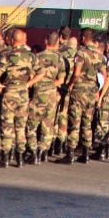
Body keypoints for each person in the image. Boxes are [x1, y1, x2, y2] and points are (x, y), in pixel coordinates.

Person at [62, 28, 107, 164]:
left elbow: (76, 73)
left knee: (75, 122)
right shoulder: (99, 55)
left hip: (79, 91)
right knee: (87, 123)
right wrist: (98, 91)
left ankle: (70, 153)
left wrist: (70, 85)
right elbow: (104, 75)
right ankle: (86, 153)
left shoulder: (81, 52)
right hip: (92, 92)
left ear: (83, 38)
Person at [0, 29, 37, 168]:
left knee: (7, 126)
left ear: (12, 40)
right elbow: (41, 72)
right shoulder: (31, 56)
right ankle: (20, 158)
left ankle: (5, 158)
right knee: (20, 127)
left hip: (10, 93)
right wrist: (29, 84)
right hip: (23, 94)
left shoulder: (7, 55)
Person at [25, 31, 65, 164]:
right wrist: (50, 85)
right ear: (57, 42)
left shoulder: (37, 57)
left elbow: (31, 76)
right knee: (48, 124)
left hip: (38, 93)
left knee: (31, 124)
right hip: (52, 95)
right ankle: (43, 151)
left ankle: (33, 150)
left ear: (46, 41)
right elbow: (61, 80)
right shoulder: (60, 59)